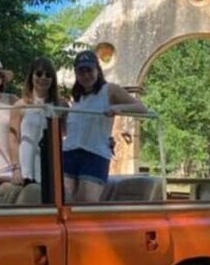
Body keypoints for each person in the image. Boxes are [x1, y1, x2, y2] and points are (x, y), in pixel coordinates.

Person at [63, 50, 149, 202]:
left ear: (97, 69)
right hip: (70, 152)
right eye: (81, 71)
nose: (86, 75)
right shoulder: (75, 96)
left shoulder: (109, 90)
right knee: (65, 200)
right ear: (76, 74)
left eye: (89, 70)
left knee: (88, 202)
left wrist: (118, 108)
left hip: (95, 153)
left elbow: (142, 108)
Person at [9, 57, 68, 185]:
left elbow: (67, 135)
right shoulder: (20, 105)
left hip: (52, 165)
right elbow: (13, 140)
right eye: (39, 73)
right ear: (31, 76)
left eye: (48, 75)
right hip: (27, 165)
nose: (43, 78)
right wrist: (16, 169)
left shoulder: (61, 105)